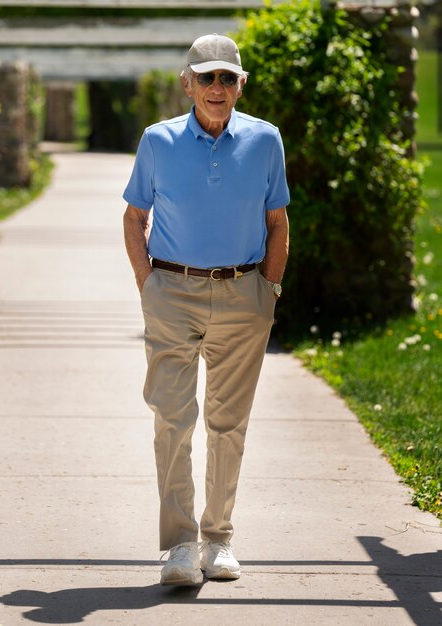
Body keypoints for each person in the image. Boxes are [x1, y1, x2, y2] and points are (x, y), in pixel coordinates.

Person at [123, 33, 290, 586]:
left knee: (228, 424)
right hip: (172, 291)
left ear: (240, 84)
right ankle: (178, 547)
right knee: (172, 419)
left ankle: (218, 539)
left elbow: (276, 222)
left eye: (227, 78)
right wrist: (150, 285)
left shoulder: (266, 141)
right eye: (207, 77)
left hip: (245, 295)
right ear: (187, 83)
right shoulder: (158, 141)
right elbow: (133, 217)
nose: (217, 88)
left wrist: (268, 290)